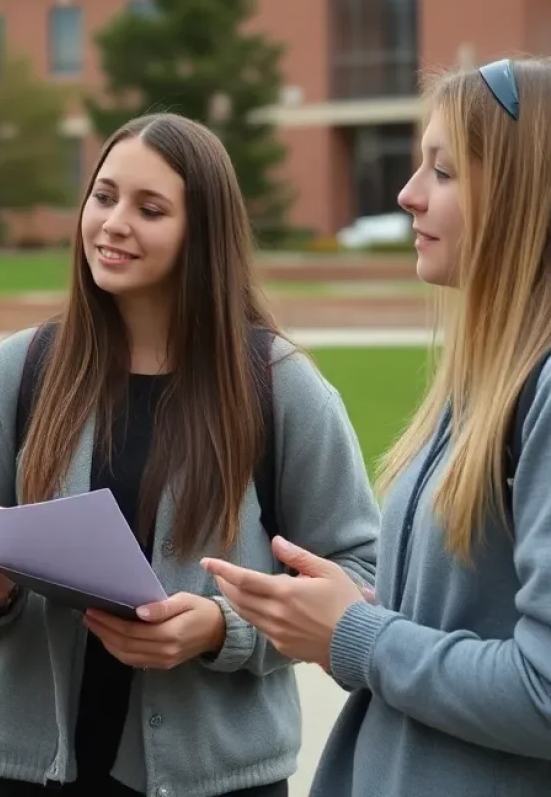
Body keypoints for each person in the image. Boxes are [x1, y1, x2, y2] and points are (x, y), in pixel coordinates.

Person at [0, 113, 380, 795]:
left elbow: (360, 575)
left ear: (203, 234)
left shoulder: (280, 386)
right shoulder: (20, 370)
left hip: (216, 778)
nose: (113, 223)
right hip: (25, 774)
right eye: (103, 197)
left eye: (150, 208)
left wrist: (224, 629)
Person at [204, 59, 551, 796]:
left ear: (525, 198)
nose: (407, 193)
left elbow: (544, 692)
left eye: (444, 172)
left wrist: (356, 636)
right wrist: (350, 612)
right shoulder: (486, 382)